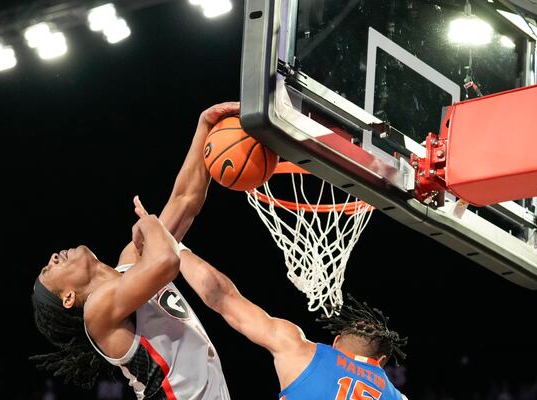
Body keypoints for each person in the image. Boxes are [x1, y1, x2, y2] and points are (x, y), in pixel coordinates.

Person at [30, 101, 240, 399]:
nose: (52, 258)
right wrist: (149, 224)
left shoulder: (131, 262)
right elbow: (167, 259)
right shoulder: (97, 312)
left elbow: (185, 200)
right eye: (48, 269)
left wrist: (204, 126)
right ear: (67, 298)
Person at [154, 237, 409, 400]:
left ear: (337, 341)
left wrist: (173, 244)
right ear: (381, 361)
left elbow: (221, 296)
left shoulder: (297, 348)